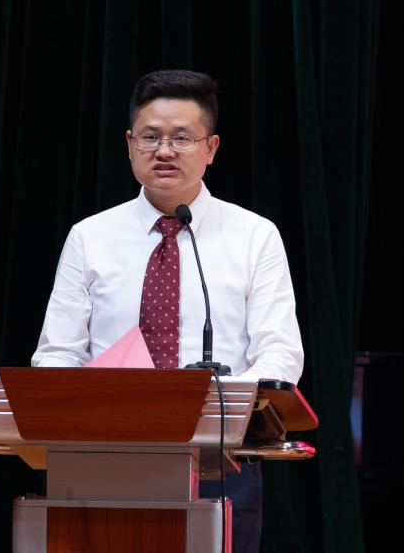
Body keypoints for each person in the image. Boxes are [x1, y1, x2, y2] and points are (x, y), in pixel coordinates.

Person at [32, 69, 304, 553]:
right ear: (129, 144)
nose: (164, 151)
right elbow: (57, 354)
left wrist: (216, 419)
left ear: (211, 148)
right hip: (106, 452)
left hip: (220, 459)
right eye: (151, 137)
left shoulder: (254, 235)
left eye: (182, 138)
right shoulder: (89, 237)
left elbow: (279, 352)